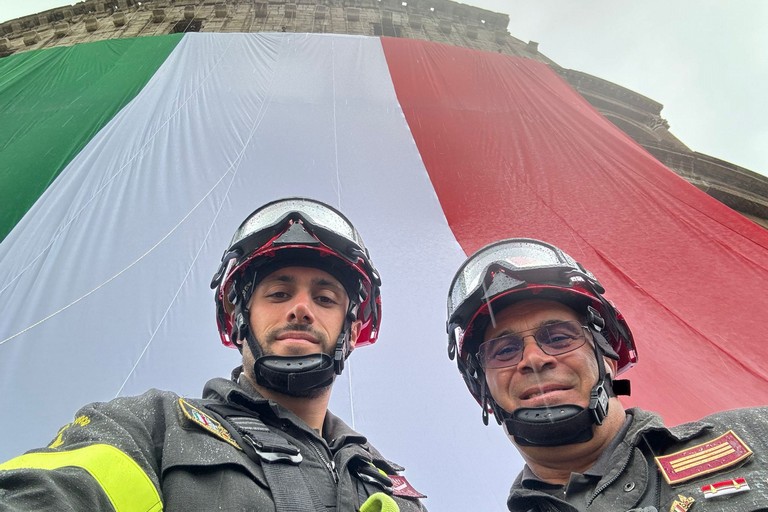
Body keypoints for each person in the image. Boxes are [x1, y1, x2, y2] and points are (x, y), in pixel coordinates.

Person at [0, 197, 427, 512]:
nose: (301, 308)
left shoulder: (390, 488)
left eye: (326, 298)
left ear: (352, 329)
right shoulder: (153, 428)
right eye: (279, 293)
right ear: (238, 318)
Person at [446, 238, 768, 512]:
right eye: (504, 351)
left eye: (558, 338)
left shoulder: (757, 436)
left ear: (609, 360)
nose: (533, 359)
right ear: (483, 389)